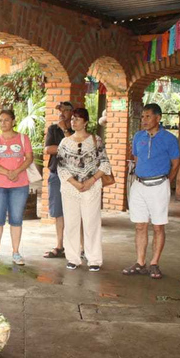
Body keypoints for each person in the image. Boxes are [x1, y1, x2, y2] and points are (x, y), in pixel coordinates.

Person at [122, 103, 180, 279]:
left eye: (148, 116)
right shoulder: (139, 136)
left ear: (158, 118)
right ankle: (140, 263)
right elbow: (137, 159)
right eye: (143, 117)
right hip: (139, 185)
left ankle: (154, 263)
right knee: (140, 226)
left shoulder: (169, 139)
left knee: (158, 226)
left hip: (159, 185)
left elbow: (176, 163)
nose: (144, 120)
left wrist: (166, 182)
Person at [56, 108, 111, 272]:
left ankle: (94, 259)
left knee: (91, 223)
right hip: (70, 189)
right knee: (71, 224)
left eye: (78, 119)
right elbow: (60, 167)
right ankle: (73, 258)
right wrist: (75, 183)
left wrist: (91, 180)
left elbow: (105, 163)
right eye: (72, 119)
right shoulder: (65, 142)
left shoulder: (95, 140)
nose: (73, 121)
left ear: (85, 122)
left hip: (91, 188)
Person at [0, 109, 33, 266]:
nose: (3, 123)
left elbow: (29, 158)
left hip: (19, 185)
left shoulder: (23, 139)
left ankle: (16, 252)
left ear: (13, 121)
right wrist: (8, 173)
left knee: (16, 218)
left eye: (6, 120)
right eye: (0, 120)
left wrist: (17, 172)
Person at [43, 101, 74, 259]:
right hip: (56, 173)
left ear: (72, 113)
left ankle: (77, 247)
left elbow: (77, 147)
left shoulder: (77, 129)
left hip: (74, 176)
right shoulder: (52, 129)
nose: (61, 113)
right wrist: (68, 148)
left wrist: (65, 131)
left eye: (65, 110)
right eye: (59, 110)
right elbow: (48, 149)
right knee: (57, 211)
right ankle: (59, 245)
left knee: (75, 211)